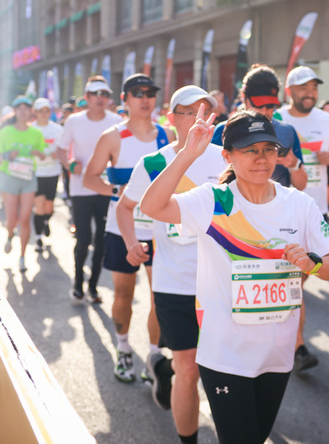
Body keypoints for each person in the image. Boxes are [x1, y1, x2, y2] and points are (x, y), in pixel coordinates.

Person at [140, 108, 329, 444]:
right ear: (228, 156)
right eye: (250, 149)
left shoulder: (299, 204)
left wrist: (312, 264)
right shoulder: (214, 201)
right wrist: (188, 154)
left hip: (277, 355)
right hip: (225, 354)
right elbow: (153, 207)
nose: (261, 158)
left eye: (269, 149)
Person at [121, 86, 222, 443]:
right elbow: (124, 207)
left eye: (205, 111)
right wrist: (132, 242)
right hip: (174, 283)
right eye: (188, 112)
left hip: (220, 285)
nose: (198, 118)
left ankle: (160, 368)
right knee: (189, 369)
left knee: (220, 372)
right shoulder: (152, 163)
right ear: (171, 117)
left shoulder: (228, 158)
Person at [83, 73, 172, 383]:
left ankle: (153, 355)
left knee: (160, 296)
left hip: (160, 232)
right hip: (122, 229)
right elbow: (89, 178)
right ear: (125, 99)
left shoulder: (168, 135)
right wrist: (117, 193)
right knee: (123, 294)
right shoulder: (113, 137)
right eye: (137, 93)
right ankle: (123, 349)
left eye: (150, 92)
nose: (145, 98)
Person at [278, 65, 329, 372]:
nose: (311, 93)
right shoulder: (278, 118)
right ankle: (296, 345)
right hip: (280, 206)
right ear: (289, 91)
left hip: (314, 208)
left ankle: (290, 337)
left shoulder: (327, 120)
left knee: (297, 279)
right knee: (290, 279)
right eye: (304, 88)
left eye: (314, 88)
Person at [58, 77, 122, 303]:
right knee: (83, 238)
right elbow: (61, 149)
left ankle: (93, 287)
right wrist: (69, 164)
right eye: (96, 94)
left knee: (102, 240)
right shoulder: (74, 121)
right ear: (86, 98)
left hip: (106, 188)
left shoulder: (116, 121)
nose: (101, 98)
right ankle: (77, 284)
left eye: (105, 94)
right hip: (80, 188)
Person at [212, 65, 308, 191]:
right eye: (258, 105)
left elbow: (301, 185)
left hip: (276, 207)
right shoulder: (224, 130)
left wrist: (293, 164)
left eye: (270, 106)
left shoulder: (287, 131)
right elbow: (209, 177)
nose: (264, 111)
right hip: (233, 207)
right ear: (244, 98)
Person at [0, 97, 46, 272]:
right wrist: (8, 155)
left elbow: (44, 155)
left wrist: (39, 153)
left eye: (26, 107)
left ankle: (22, 257)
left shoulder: (36, 133)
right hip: (9, 177)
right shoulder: (5, 131)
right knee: (12, 219)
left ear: (31, 111)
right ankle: (9, 235)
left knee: (25, 218)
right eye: (19, 107)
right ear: (15, 111)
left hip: (28, 178)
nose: (23, 111)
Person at [30, 98, 63, 252]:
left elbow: (64, 149)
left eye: (47, 111)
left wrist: (58, 154)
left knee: (49, 207)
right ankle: (38, 238)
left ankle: (45, 221)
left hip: (52, 173)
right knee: (39, 206)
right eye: (40, 111)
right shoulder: (30, 130)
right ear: (35, 112)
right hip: (36, 173)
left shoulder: (57, 129)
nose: (44, 114)